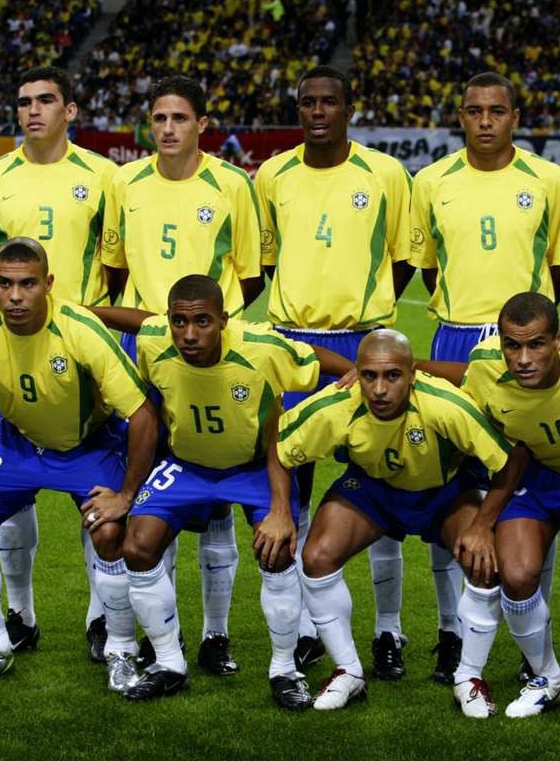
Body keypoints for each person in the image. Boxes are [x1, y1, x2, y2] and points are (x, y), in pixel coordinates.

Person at [0, 238, 157, 688]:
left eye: (27, 284)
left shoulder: (80, 330)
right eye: (4, 284)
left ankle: (120, 649)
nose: (15, 295)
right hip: (19, 447)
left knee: (109, 531)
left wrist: (126, 495)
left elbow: (142, 414)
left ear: (48, 284)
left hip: (90, 446)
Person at [96, 275, 354, 705]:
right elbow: (138, 321)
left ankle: (285, 670)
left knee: (277, 549)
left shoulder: (262, 348)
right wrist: (88, 312)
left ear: (224, 321)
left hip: (252, 468)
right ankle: (169, 664)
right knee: (137, 547)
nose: (189, 334)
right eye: (179, 321)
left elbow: (311, 357)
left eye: (202, 321)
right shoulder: (155, 341)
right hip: (186, 466)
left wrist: (352, 370)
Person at [420, 293, 560, 737]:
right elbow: (461, 377)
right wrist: (409, 367)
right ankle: (547, 676)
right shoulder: (486, 365)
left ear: (559, 339)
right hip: (537, 473)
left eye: (536, 345)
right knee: (518, 574)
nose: (523, 359)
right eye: (512, 345)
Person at [409, 71, 560, 685]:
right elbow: (429, 268)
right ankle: (451, 633)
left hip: (522, 344)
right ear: (460, 115)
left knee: (534, 484)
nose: (484, 121)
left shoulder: (548, 180)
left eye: (496, 111)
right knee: (451, 486)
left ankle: (536, 643)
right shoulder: (431, 181)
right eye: (474, 110)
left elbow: (559, 269)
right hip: (456, 335)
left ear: (514, 117)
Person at [255, 66, 414, 678]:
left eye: (329, 102)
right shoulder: (272, 175)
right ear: (298, 109)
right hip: (291, 343)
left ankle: (388, 630)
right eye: (308, 103)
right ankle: (302, 629)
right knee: (288, 487)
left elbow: (403, 260)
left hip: (361, 345)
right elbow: (268, 259)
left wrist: (366, 313)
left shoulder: (385, 174)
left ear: (350, 108)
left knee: (383, 482)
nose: (318, 111)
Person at [101, 74, 264, 674]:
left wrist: (206, 328)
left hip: (207, 348)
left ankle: (215, 635)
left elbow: (251, 275)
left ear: (202, 124)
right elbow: (114, 268)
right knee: (148, 487)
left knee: (215, 488)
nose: (168, 129)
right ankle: (153, 631)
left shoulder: (233, 184)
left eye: (179, 118)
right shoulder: (125, 182)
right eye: (159, 118)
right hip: (143, 348)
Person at [273, 330, 529, 710]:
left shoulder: (444, 404)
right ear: (357, 373)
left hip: (445, 492)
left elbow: (511, 459)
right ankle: (348, 672)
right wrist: (280, 511)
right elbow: (280, 448)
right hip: (375, 490)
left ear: (413, 374)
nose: (379, 389)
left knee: (483, 563)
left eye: (392, 376)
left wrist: (482, 525)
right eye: (369, 376)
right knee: (317, 556)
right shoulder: (338, 404)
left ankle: (469, 677)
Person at [0, 66, 122, 664]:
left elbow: (118, 263)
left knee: (98, 493)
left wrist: (85, 325)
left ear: (70, 110)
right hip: (14, 358)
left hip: (88, 358)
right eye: (24, 101)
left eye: (46, 100)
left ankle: (100, 618)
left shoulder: (104, 176)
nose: (33, 110)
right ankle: (21, 614)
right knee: (10, 491)